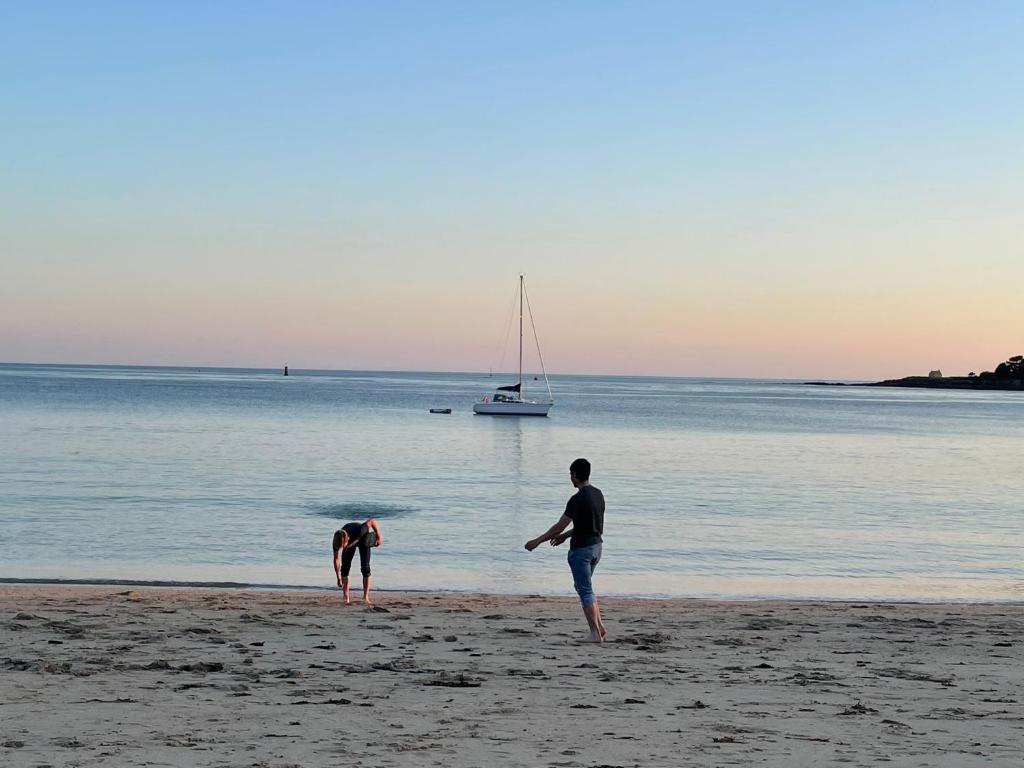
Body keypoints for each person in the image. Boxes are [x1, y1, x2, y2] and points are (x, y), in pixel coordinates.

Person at [525, 458, 606, 642]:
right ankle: (599, 628)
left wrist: (537, 541)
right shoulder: (598, 494)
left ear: (575, 475)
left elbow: (559, 526)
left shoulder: (577, 500)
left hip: (582, 551)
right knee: (585, 588)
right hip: (597, 548)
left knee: (585, 590)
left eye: (571, 475)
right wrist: (567, 536)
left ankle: (594, 633)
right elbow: (591, 525)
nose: (570, 478)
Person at [332, 519, 383, 604]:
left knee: (365, 568)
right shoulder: (336, 541)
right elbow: (336, 559)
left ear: (346, 540)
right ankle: (346, 597)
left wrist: (378, 535)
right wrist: (338, 577)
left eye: (342, 546)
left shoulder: (361, 530)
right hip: (349, 539)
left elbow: (372, 521)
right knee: (344, 569)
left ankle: (365, 597)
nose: (341, 548)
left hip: (362, 538)